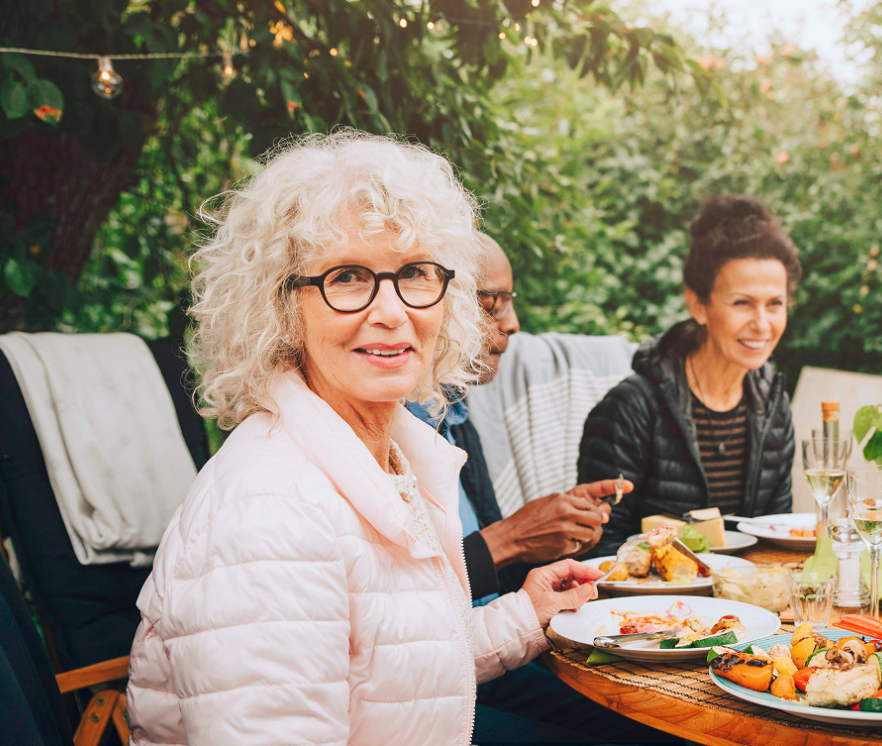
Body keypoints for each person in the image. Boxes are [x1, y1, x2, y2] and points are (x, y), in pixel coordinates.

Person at [125, 131, 604, 746]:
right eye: (347, 277)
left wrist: (526, 612)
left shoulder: (387, 453)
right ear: (282, 310)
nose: (391, 311)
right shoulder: (269, 515)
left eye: (416, 273)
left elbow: (395, 673)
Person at [408, 235, 680, 743]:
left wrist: (549, 539)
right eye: (491, 304)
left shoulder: (453, 411)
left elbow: (478, 570)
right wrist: (510, 539)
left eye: (507, 303)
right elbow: (407, 597)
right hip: (430, 681)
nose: (511, 324)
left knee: (658, 726)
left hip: (488, 645)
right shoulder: (387, 429)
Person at [578, 196, 799, 556]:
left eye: (775, 304)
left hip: (749, 608)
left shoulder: (774, 405)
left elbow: (776, 538)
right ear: (699, 305)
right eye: (742, 302)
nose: (762, 324)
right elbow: (598, 549)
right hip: (649, 609)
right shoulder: (630, 408)